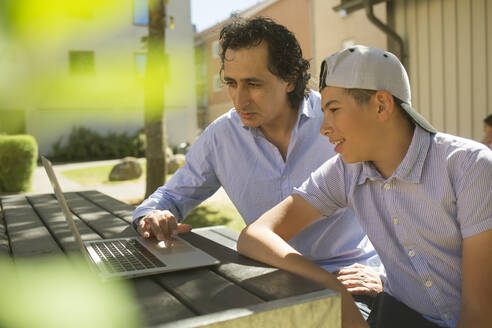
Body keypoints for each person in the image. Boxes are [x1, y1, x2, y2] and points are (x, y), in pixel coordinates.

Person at [237, 45, 492, 328]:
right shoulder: (347, 171)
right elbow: (255, 234)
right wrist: (330, 287)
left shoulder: (471, 166)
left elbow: (480, 314)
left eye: (334, 109)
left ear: (381, 105)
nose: (324, 127)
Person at [133, 17, 383, 301]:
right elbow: (170, 196)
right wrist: (152, 215)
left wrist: (384, 275)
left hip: (351, 283)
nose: (239, 100)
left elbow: (403, 208)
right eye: (231, 83)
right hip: (270, 282)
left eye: (253, 84)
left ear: (289, 78)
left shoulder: (338, 122)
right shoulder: (221, 137)